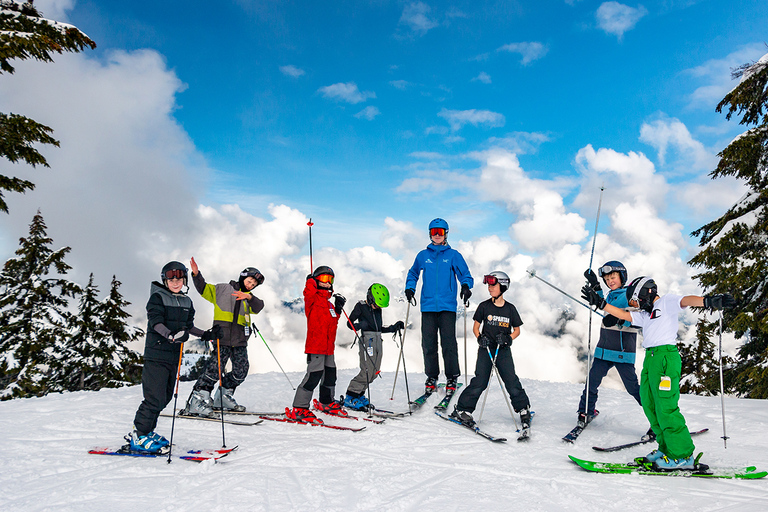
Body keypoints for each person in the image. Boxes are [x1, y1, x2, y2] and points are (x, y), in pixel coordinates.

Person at [582, 276, 735, 469]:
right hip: (651, 358)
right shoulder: (647, 314)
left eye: (636, 300)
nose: (635, 304)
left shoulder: (666, 302)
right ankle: (666, 448)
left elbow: (686, 300)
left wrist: (708, 301)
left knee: (666, 407)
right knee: (649, 403)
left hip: (665, 358)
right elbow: (625, 316)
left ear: (646, 294)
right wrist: (602, 304)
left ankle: (682, 455)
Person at [127, 261, 216, 453]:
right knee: (153, 397)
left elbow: (189, 326)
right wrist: (171, 336)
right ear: (165, 280)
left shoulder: (186, 302)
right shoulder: (157, 298)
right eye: (171, 278)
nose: (175, 282)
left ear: (184, 280)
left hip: (174, 356)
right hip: (156, 354)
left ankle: (147, 432)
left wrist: (205, 334)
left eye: (179, 278)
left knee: (164, 397)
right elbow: (156, 323)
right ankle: (138, 435)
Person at [576, 261, 650, 437]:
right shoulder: (612, 294)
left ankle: (658, 419)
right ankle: (586, 411)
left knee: (633, 388)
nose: (610, 281)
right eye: (607, 278)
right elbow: (604, 302)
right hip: (604, 349)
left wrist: (619, 320)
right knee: (592, 381)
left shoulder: (629, 295)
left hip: (623, 352)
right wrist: (595, 284)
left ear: (622, 277)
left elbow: (637, 318)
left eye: (613, 277)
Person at [182, 258, 265, 416]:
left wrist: (249, 297)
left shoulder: (250, 298)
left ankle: (223, 397)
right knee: (214, 370)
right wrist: (196, 274)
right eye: (249, 281)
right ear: (242, 277)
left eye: (253, 285)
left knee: (241, 370)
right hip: (222, 339)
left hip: (240, 341)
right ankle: (197, 400)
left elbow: (259, 306)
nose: (250, 286)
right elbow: (203, 289)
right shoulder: (222, 289)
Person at [450, 271, 531, 429]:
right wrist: (480, 338)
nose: (489, 287)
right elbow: (475, 327)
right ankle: (462, 409)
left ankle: (523, 408)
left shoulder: (510, 309)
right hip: (486, 349)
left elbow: (517, 330)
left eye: (493, 284)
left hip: (503, 350)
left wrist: (508, 338)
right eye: (488, 284)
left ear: (503, 286)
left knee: (511, 380)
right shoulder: (484, 306)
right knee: (480, 381)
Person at [405, 218, 474, 394]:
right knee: (428, 343)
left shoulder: (453, 255)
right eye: (434, 231)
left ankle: (452, 377)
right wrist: (409, 288)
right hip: (428, 305)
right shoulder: (423, 255)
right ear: (430, 233)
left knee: (448, 343)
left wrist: (466, 286)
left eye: (440, 232)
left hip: (447, 306)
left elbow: (465, 274)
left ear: (446, 234)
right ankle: (432, 376)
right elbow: (413, 273)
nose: (437, 235)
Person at [286, 266, 347, 423]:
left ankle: (326, 402)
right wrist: (310, 281)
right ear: (317, 280)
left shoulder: (329, 304)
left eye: (331, 280)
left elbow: (332, 323)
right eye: (325, 279)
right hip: (316, 345)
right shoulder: (312, 299)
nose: (328, 283)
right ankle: (299, 408)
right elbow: (308, 292)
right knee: (314, 375)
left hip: (328, 347)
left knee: (330, 374)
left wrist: (338, 310)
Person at [342, 283, 405, 411]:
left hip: (377, 339)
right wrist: (361, 326)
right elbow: (350, 323)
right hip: (367, 340)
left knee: (374, 372)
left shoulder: (377, 309)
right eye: (376, 304)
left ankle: (359, 395)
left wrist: (393, 328)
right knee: (367, 370)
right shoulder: (361, 306)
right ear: (370, 298)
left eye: (380, 306)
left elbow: (378, 328)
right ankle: (351, 395)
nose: (377, 307)